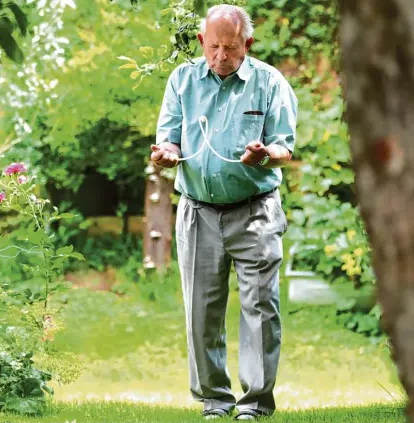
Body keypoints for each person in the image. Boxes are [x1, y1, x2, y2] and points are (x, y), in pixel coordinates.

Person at [150, 4, 298, 421]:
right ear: (201, 42)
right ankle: (214, 400)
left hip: (255, 211)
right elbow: (170, 139)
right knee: (201, 310)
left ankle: (254, 404)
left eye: (230, 48)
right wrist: (166, 153)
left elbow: (284, 147)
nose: (220, 56)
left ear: (247, 44)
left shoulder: (270, 83)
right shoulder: (182, 79)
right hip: (197, 211)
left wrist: (267, 154)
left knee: (260, 309)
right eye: (213, 46)